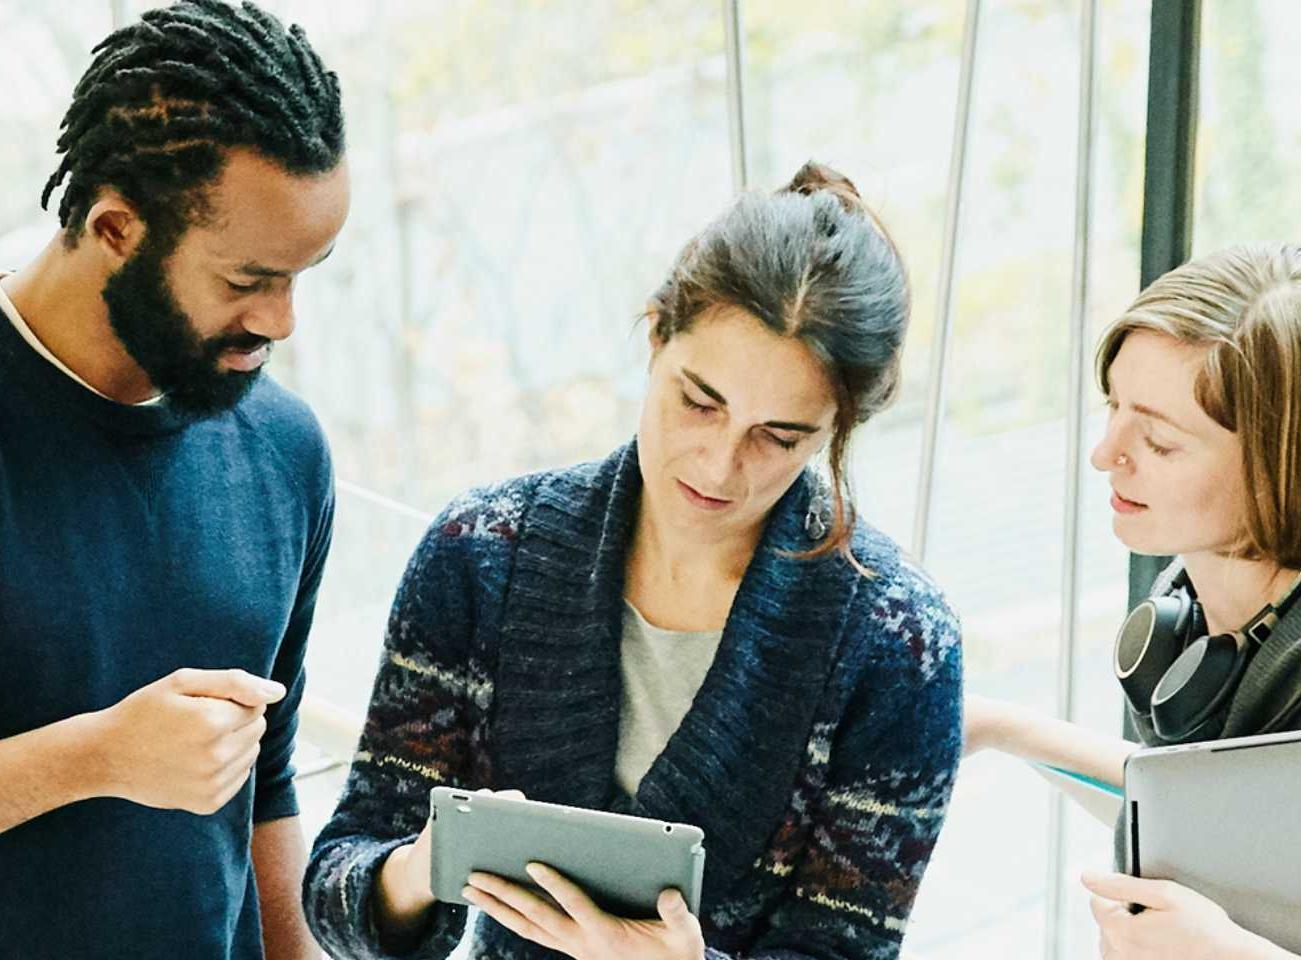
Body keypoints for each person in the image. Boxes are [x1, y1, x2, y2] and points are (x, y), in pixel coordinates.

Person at [304, 163, 964, 960]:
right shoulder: (479, 554)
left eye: (780, 437)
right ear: (656, 334)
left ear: (836, 428)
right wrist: (423, 868)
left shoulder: (900, 643)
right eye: (699, 401)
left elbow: (846, 947)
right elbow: (338, 887)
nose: (720, 465)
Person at [963, 243, 1301, 960]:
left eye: (1158, 440)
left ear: (1286, 468)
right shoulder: (1198, 621)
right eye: (1114, 407)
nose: (1106, 453)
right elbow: (1207, 806)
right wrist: (998, 727)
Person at [0, 2, 349, 957]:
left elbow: (264, 780)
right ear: (115, 226)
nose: (282, 321)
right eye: (246, 281)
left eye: (305, 272)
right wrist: (94, 758)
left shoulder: (286, 449)